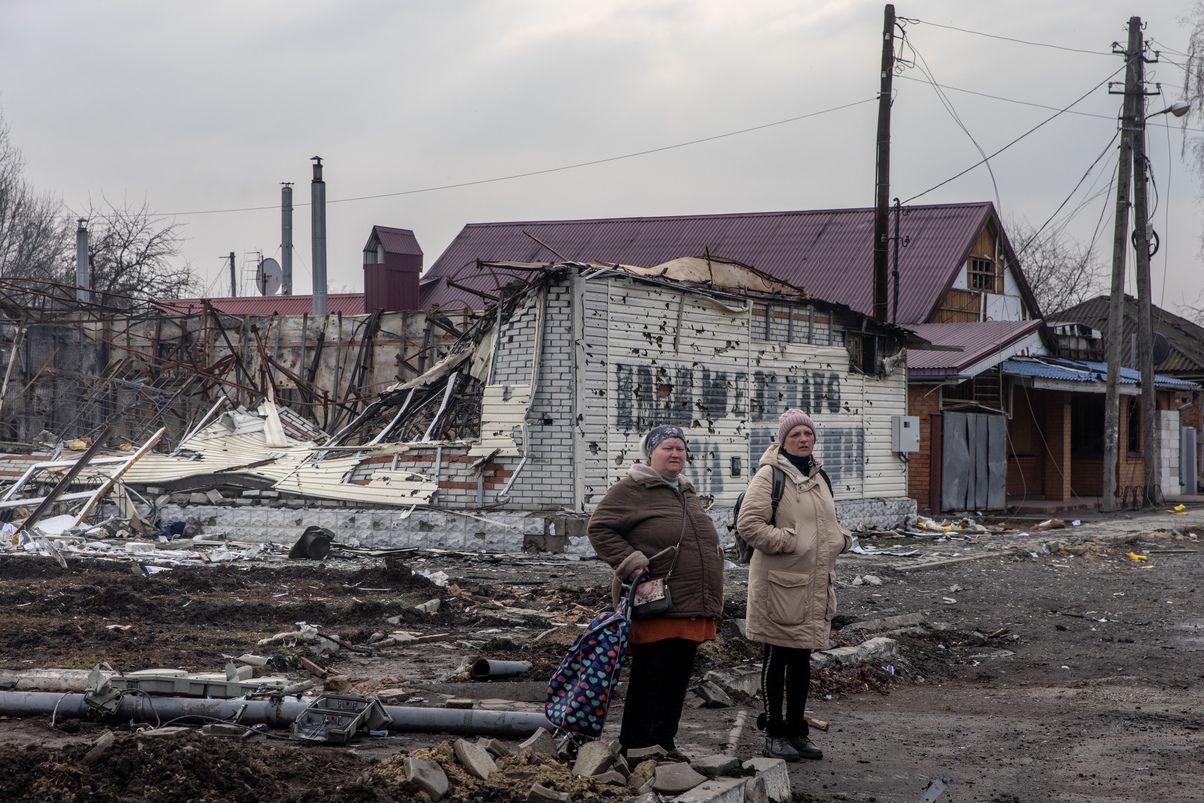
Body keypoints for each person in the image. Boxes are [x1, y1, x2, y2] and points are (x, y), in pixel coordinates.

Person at [587, 424, 724, 759]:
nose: (675, 454)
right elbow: (599, 528)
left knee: (676, 679)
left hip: (690, 604)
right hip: (656, 602)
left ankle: (665, 743)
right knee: (649, 677)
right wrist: (632, 564)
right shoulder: (633, 488)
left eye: (680, 448)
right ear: (651, 453)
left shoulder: (685, 490)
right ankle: (635, 746)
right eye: (667, 448)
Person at [736, 408, 851, 761]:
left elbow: (828, 522)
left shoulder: (819, 475)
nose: (803, 439)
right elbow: (749, 524)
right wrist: (791, 541)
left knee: (801, 659)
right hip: (779, 585)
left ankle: (797, 732)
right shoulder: (769, 475)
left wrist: (841, 539)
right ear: (783, 440)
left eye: (808, 433)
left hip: (812, 583)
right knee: (777, 657)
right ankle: (774, 734)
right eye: (795, 435)